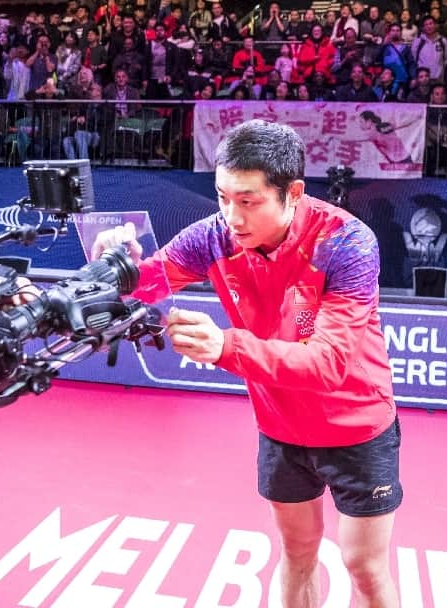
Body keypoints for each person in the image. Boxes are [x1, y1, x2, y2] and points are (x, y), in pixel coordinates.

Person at [90, 121, 401, 607]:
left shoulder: (345, 242)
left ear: (292, 193)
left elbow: (329, 363)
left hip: (356, 425)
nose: (232, 217)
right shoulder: (214, 236)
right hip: (280, 425)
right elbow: (152, 282)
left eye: (249, 201)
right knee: (297, 553)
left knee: (364, 565)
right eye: (222, 197)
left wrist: (225, 347)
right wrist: (119, 265)